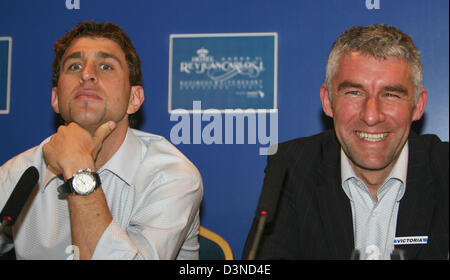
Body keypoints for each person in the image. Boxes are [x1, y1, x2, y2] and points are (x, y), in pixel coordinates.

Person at [0, 21, 203, 260]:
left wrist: (78, 169)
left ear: (134, 99)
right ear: (55, 98)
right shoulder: (17, 174)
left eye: (106, 66)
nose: (86, 74)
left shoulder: (170, 176)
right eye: (74, 66)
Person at [244, 24, 448, 260]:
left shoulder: (445, 168)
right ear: (328, 101)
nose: (371, 116)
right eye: (354, 93)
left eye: (390, 94)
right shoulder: (292, 166)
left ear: (418, 105)